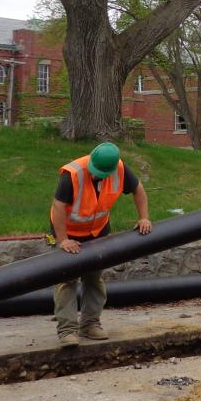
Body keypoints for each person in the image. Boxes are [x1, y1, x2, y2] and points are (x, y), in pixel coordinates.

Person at [50, 142, 152, 346]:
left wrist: (144, 218)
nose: (96, 176)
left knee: (94, 279)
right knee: (66, 281)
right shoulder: (73, 173)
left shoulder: (120, 169)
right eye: (94, 171)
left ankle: (90, 324)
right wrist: (62, 241)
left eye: (101, 174)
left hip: (97, 232)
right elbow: (58, 207)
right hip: (69, 234)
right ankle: (67, 331)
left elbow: (138, 190)